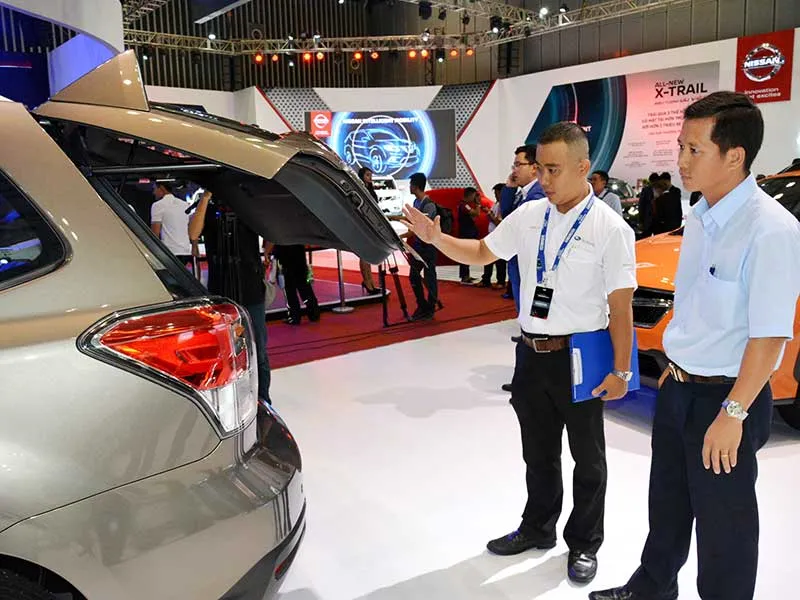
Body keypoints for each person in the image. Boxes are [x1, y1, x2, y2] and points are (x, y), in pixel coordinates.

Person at [403, 121, 637, 585]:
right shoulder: (531, 216)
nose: (544, 179)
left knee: (588, 458)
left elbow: (621, 307)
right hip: (531, 354)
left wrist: (622, 371)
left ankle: (584, 543)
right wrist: (437, 239)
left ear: (583, 167)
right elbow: (481, 252)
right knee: (538, 452)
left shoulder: (609, 228)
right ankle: (537, 527)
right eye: (540, 169)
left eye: (553, 170)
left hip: (580, 357)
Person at [590, 92, 800, 600]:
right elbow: (695, 306)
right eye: (681, 146)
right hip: (680, 388)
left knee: (724, 525)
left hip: (727, 399)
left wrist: (734, 413)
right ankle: (653, 587)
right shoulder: (701, 217)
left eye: (694, 149)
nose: (681, 161)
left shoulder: (772, 230)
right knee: (667, 502)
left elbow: (770, 335)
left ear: (735, 155)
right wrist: (676, 365)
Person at [188, 190, 272, 404]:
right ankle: (232, 399)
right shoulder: (208, 208)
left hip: (250, 289)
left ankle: (263, 399)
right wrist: (205, 198)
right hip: (221, 290)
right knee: (226, 349)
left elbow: (270, 231)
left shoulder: (246, 207)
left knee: (258, 349)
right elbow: (194, 234)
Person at [407, 172, 438, 321]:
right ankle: (422, 304)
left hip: (428, 247)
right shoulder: (415, 203)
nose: (409, 187)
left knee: (430, 277)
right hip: (418, 246)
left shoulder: (429, 205)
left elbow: (424, 226)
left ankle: (430, 307)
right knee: (414, 276)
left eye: (411, 184)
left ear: (416, 186)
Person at [272, 244, 321, 325]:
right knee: (304, 286)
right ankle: (314, 313)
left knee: (289, 289)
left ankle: (294, 316)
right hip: (298, 254)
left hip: (284, 256)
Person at [150, 182, 192, 266]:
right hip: (185, 251)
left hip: (169, 252)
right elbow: (190, 227)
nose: (154, 192)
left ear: (162, 188)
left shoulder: (158, 205)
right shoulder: (184, 204)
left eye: (155, 189)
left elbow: (155, 233)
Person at [356, 167, 381, 294]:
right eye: (367, 175)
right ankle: (367, 281)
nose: (370, 177)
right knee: (364, 255)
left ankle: (370, 281)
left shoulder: (370, 190)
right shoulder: (359, 190)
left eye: (371, 175)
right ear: (362, 176)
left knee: (368, 255)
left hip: (371, 225)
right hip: (362, 225)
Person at [479, 183, 507, 289]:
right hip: (492, 235)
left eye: (497, 193)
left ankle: (501, 281)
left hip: (499, 236)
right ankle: (486, 279)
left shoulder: (503, 205)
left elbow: (499, 223)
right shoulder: (496, 204)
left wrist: (491, 216)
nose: (495, 195)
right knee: (487, 258)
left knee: (500, 261)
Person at [457, 186, 481, 284]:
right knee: (465, 255)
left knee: (467, 255)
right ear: (470, 195)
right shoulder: (464, 205)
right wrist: (478, 204)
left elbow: (473, 217)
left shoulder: (465, 205)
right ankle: (464, 277)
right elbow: (476, 213)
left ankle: (466, 275)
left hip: (467, 233)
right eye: (474, 196)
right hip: (466, 234)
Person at [637, 172, 660, 238]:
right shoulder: (645, 190)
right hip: (647, 220)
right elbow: (641, 206)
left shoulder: (662, 189)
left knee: (658, 238)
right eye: (653, 181)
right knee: (645, 238)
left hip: (659, 221)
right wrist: (641, 221)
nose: (654, 183)